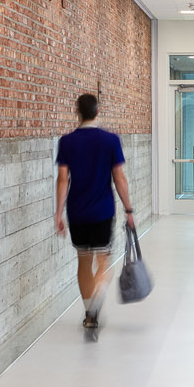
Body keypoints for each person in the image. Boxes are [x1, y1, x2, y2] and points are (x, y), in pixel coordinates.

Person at [54, 93, 132, 338]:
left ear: (77, 112)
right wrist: (129, 209)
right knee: (104, 262)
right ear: (98, 112)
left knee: (83, 262)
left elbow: (63, 179)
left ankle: (90, 314)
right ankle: (98, 296)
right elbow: (119, 177)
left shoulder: (66, 142)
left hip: (76, 212)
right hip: (103, 211)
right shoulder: (110, 140)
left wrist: (58, 213)